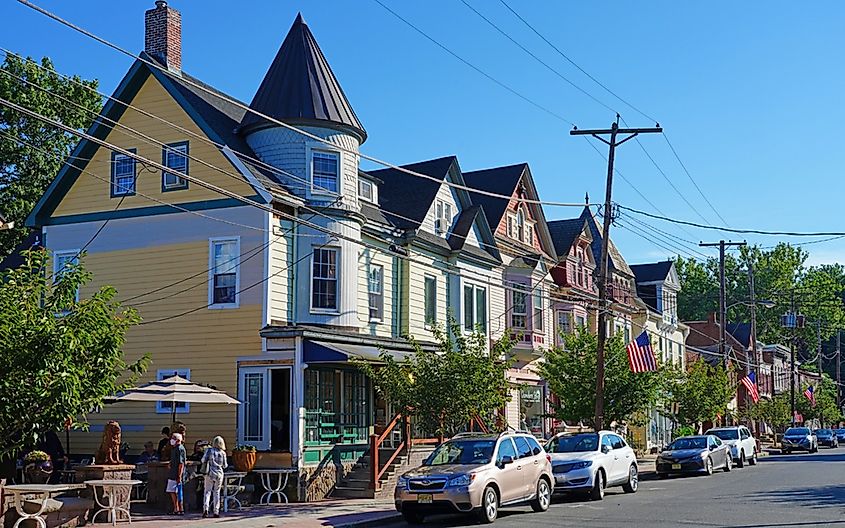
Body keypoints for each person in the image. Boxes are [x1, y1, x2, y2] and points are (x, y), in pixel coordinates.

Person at [201, 436, 228, 518]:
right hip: (219, 474)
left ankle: (206, 509)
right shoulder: (223, 453)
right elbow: (225, 465)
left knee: (207, 491)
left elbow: (203, 460)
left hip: (209, 473)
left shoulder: (209, 450)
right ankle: (216, 511)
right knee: (217, 492)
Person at [166, 433, 186, 515]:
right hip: (172, 473)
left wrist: (179, 476)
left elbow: (181, 464)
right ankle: (176, 507)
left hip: (176, 474)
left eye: (174, 438)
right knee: (171, 491)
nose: (172, 440)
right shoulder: (174, 449)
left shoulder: (180, 449)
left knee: (177, 491)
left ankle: (179, 508)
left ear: (178, 440)